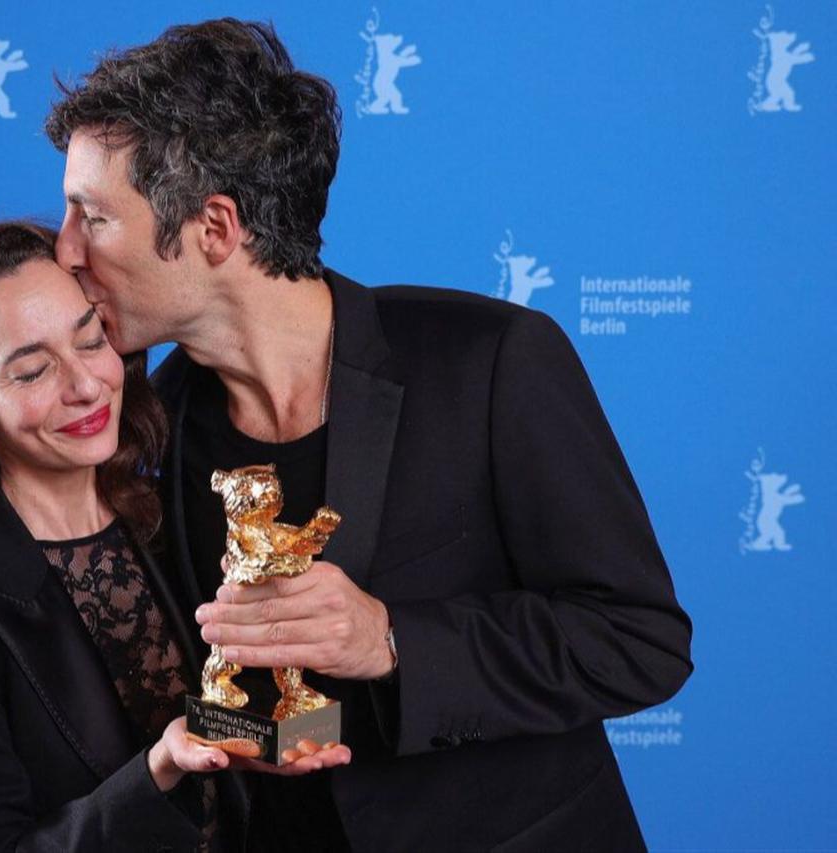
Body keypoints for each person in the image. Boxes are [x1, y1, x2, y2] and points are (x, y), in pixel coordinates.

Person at [45, 19, 694, 852]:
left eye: (91, 217)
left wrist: (388, 639)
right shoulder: (144, 427)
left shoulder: (491, 361)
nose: (64, 251)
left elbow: (639, 641)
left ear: (214, 228)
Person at [0, 222, 344, 851]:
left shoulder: (177, 513)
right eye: (32, 372)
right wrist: (158, 772)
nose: (86, 386)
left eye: (90, 341)